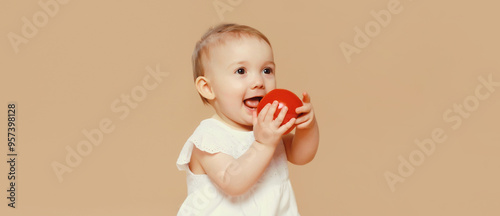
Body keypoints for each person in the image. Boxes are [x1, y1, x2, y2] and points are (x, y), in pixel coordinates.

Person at [176, 23, 319, 215]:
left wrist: (306, 128)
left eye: (267, 71)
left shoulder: (268, 131)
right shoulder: (208, 138)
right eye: (241, 71)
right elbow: (233, 183)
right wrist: (263, 145)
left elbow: (301, 155)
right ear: (208, 88)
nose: (259, 82)